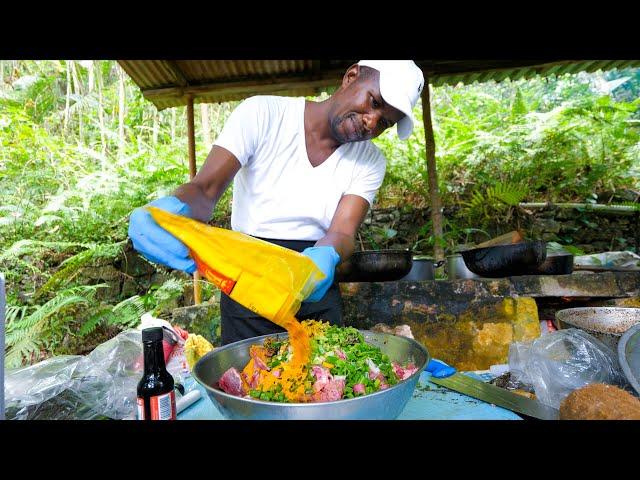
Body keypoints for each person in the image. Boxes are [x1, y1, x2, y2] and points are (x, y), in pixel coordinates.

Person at [128, 60, 425, 345]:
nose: (371, 122)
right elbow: (205, 190)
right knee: (247, 384)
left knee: (322, 384)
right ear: (351, 76)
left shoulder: (370, 160)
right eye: (373, 102)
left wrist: (326, 257)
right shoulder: (262, 114)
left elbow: (343, 232)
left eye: (384, 122)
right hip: (247, 281)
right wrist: (170, 211)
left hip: (312, 282)